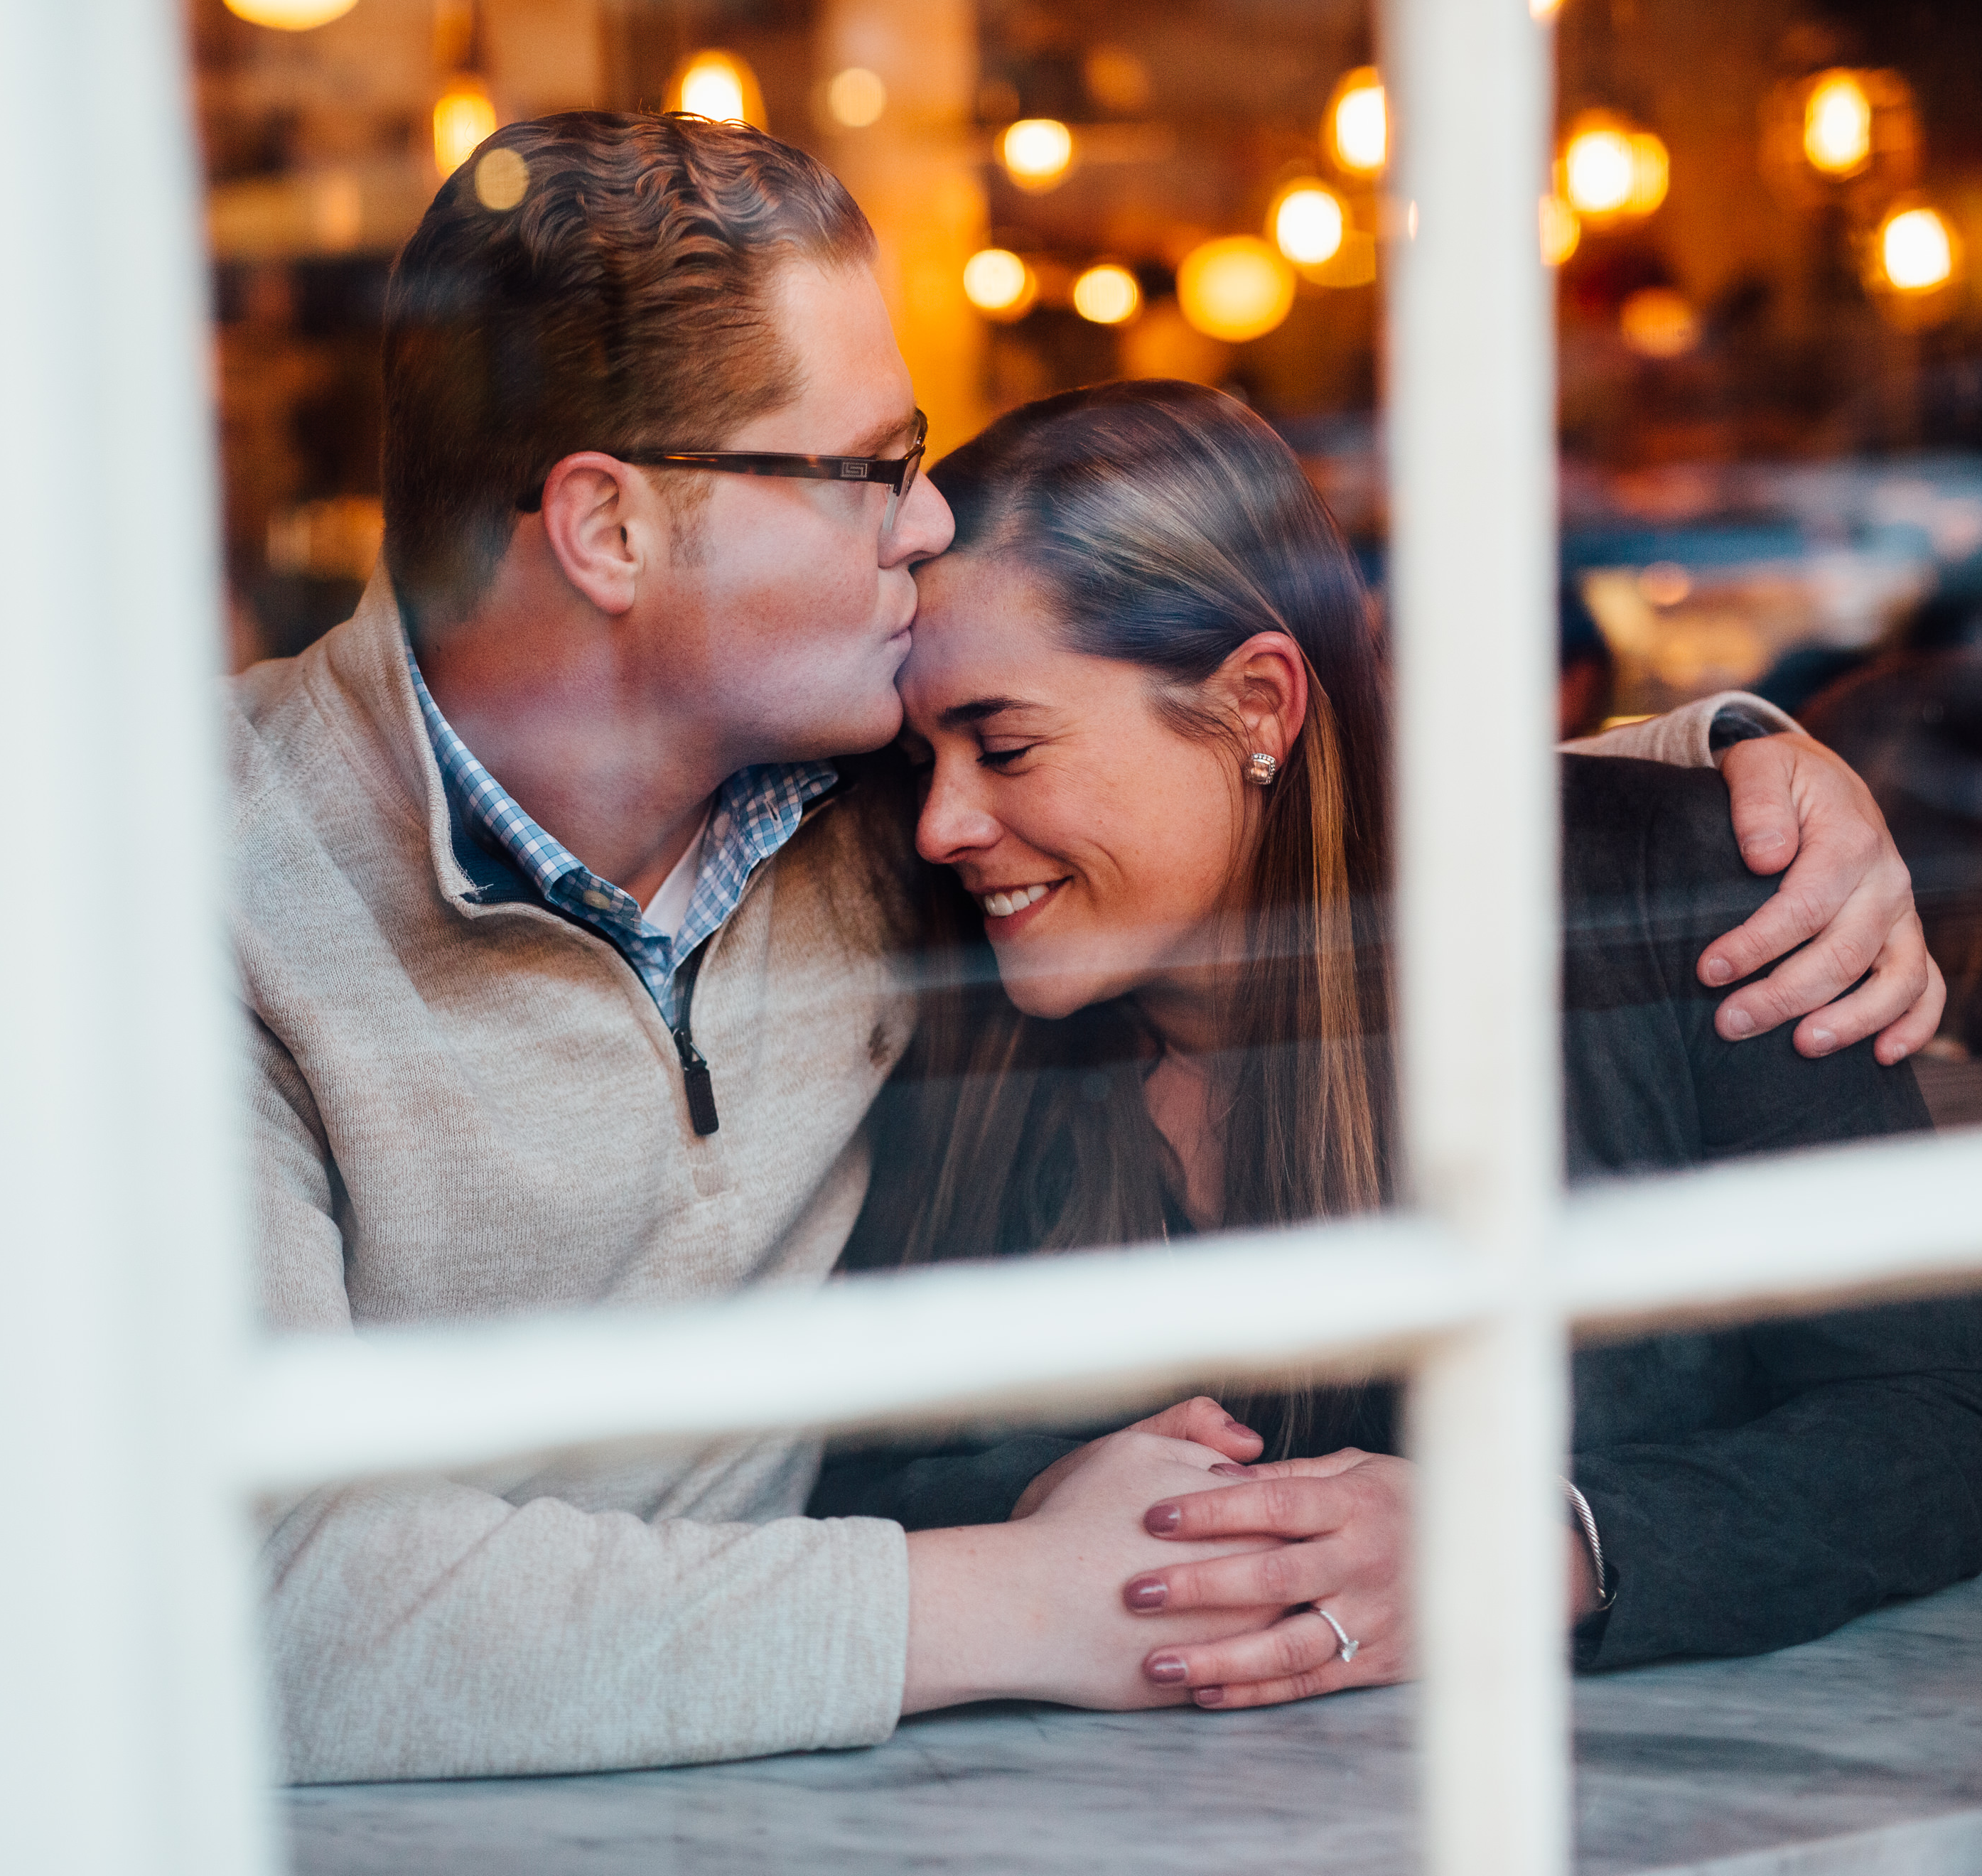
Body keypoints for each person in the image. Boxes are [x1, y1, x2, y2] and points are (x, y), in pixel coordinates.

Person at [235, 112, 1941, 1783]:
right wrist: (1016, 1596)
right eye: (868, 470)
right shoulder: (202, 900)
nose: (919, 527)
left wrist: (1746, 774)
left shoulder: (838, 804)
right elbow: (260, 1598)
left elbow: (1288, 795)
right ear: (609, 530)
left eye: (1001, 747)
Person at [817, 380, 1982, 1709]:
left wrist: (1533, 1548)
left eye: (1006, 747)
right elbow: (833, 1461)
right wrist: (1037, 1496)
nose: (942, 826)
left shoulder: (1682, 901)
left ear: (1258, 705)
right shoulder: (933, 1000)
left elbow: (1933, 1419)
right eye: (920, 764)